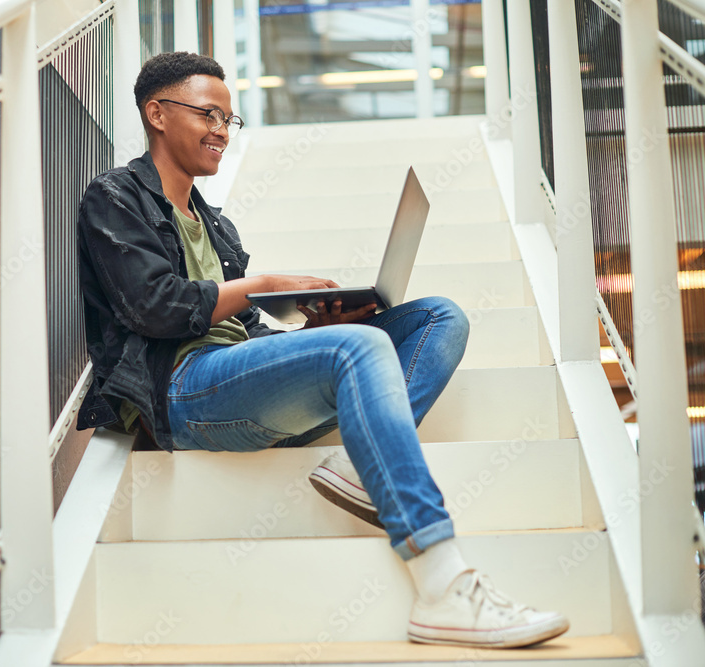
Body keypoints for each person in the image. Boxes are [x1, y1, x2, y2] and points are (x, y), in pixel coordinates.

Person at [76, 50, 569, 649]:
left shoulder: (214, 223)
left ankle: (364, 467)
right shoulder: (114, 198)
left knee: (439, 318)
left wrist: (319, 330)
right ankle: (444, 585)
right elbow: (154, 309)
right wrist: (262, 285)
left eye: (230, 121)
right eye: (209, 115)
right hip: (181, 393)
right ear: (157, 113)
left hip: (238, 383)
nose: (221, 133)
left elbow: (247, 341)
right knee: (357, 350)